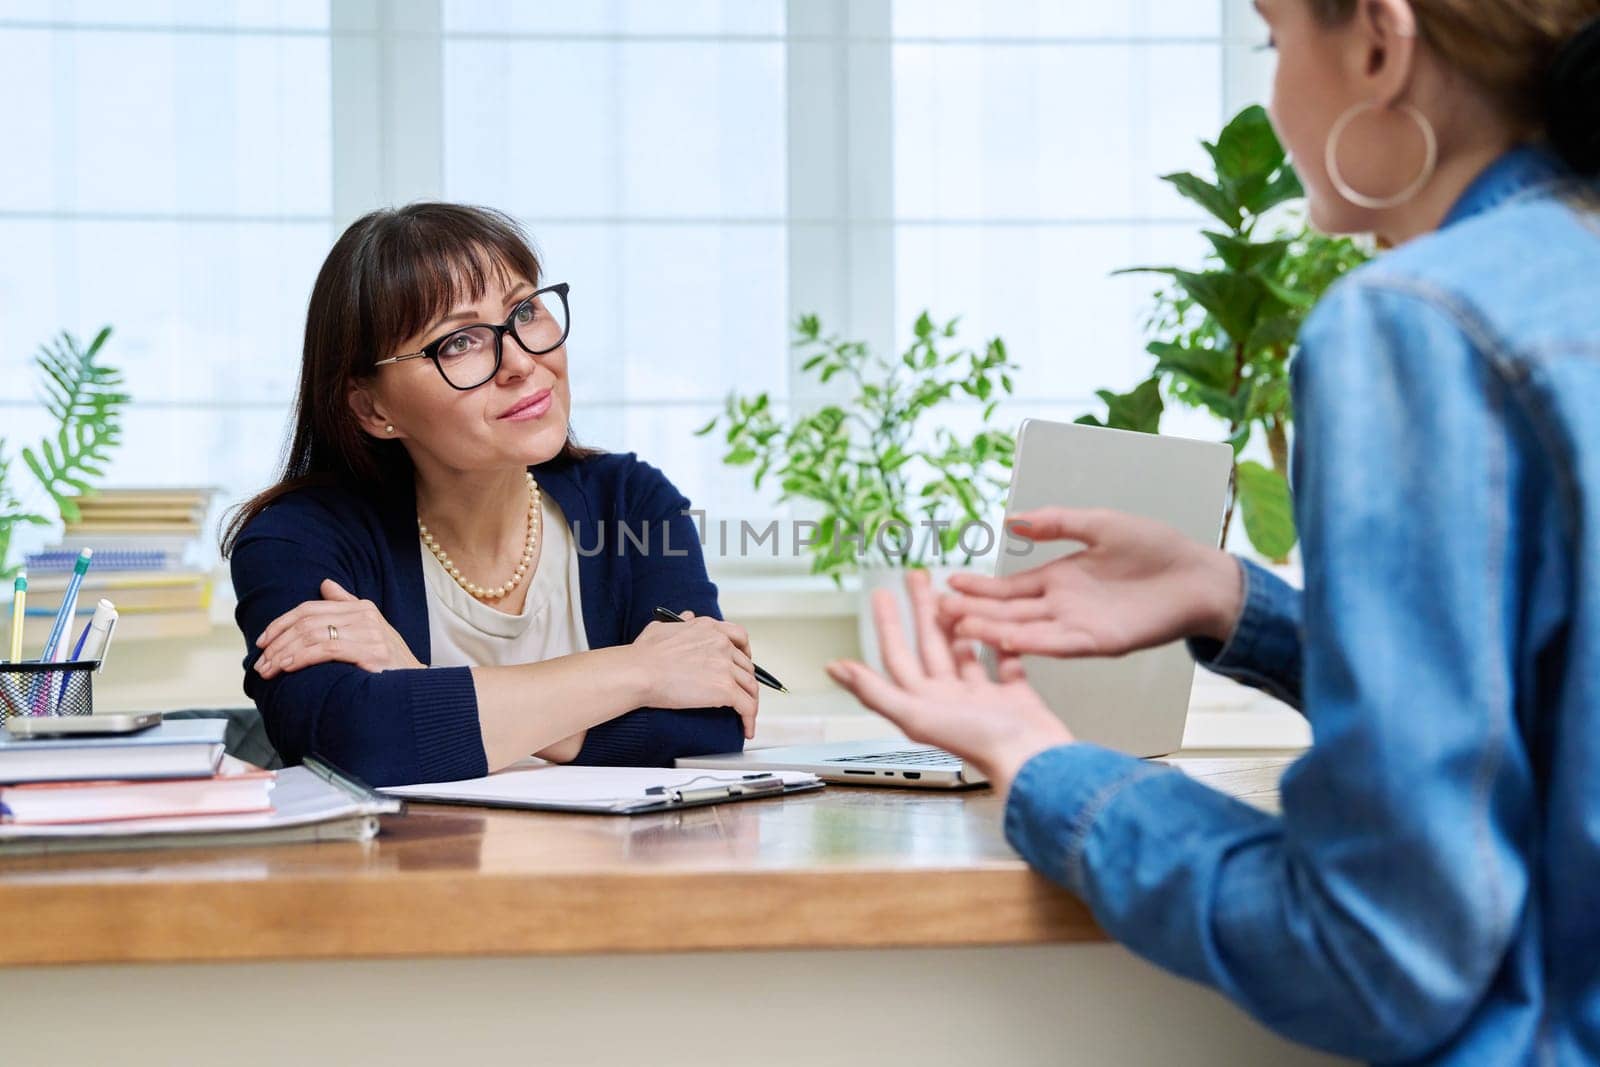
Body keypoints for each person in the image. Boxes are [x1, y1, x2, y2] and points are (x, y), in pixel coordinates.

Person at [825, 1, 1600, 1061]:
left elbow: (1381, 949)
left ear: (1378, 41)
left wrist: (1039, 760)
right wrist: (1238, 599)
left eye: (1274, 45)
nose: (1271, 93)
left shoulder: (1418, 321)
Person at [223, 204, 759, 787]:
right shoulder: (296, 541)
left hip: (615, 874)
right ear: (372, 408)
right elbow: (355, 742)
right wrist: (640, 670)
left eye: (525, 311)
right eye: (458, 343)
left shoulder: (633, 504)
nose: (522, 363)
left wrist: (421, 682)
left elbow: (711, 723)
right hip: (409, 874)